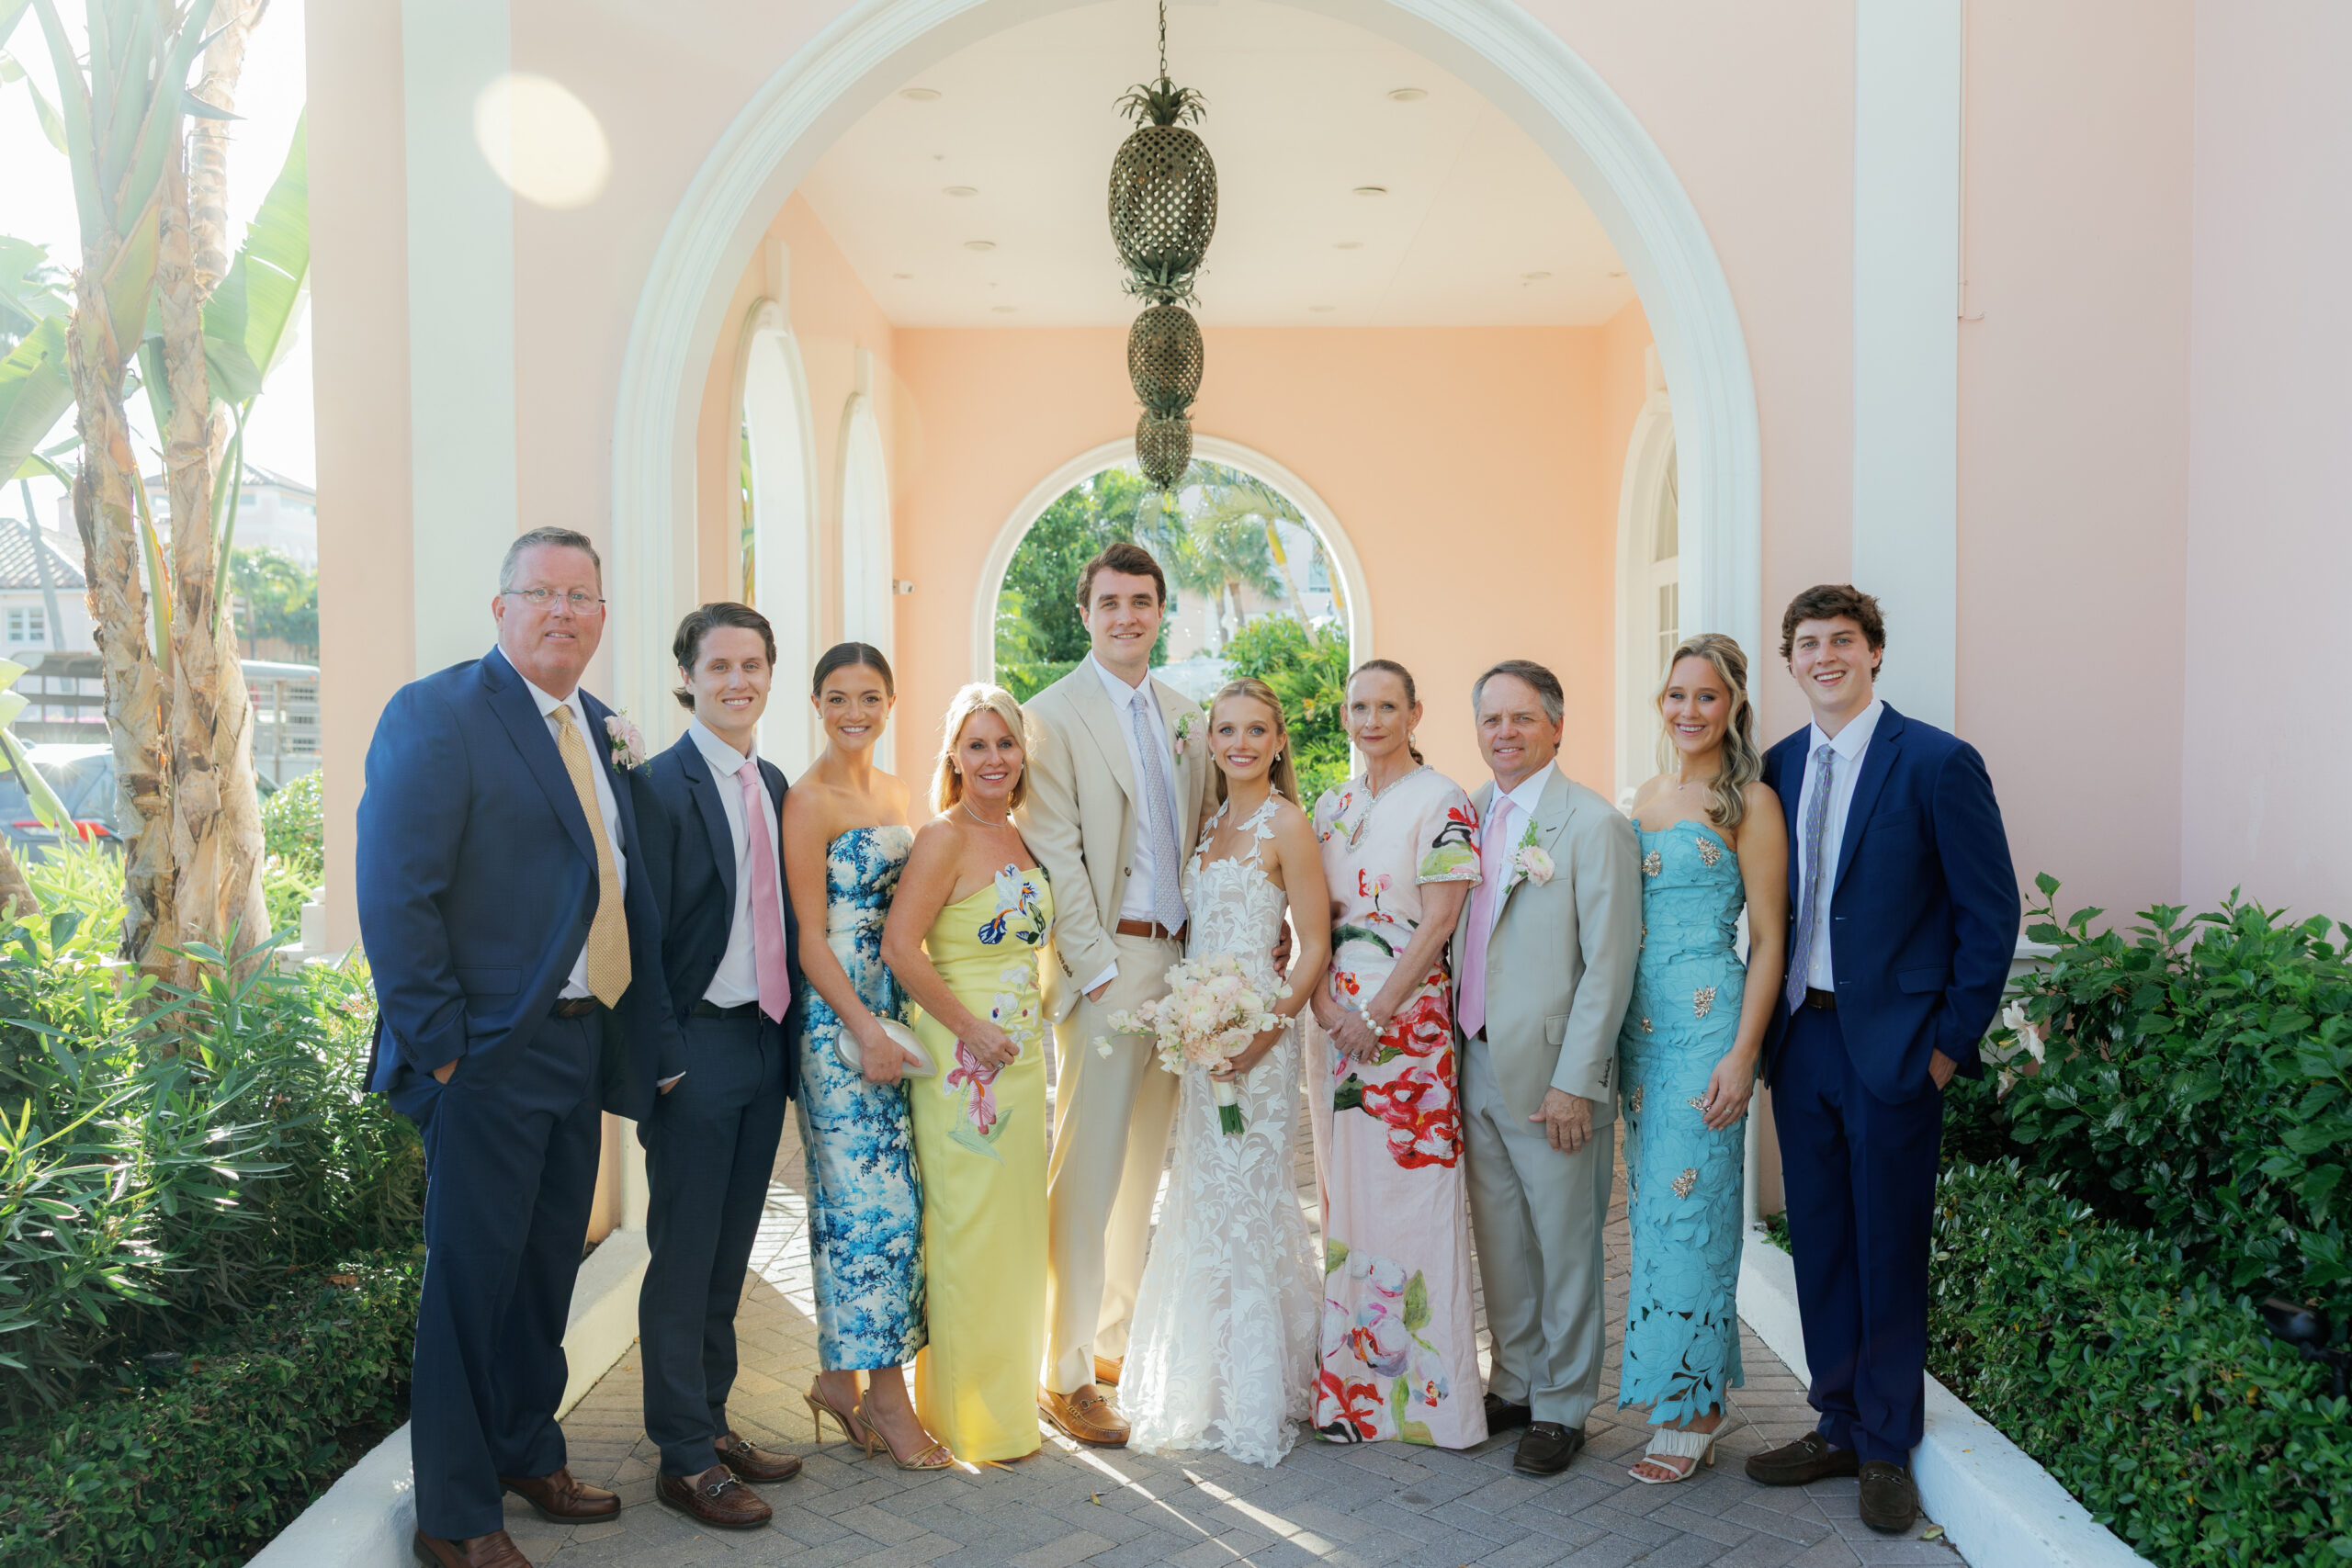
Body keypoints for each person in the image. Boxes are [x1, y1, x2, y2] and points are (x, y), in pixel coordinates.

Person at [358, 526, 676, 1568]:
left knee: (544, 1269)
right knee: (470, 1284)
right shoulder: (439, 714)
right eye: (541, 592)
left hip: (581, 1045)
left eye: (582, 596)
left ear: (599, 616)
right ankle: (454, 1516)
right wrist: (447, 1051)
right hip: (487, 1056)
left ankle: (525, 1451)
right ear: (500, 608)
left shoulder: (598, 726)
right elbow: (396, 895)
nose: (562, 611)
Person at [1744, 586, 2018, 1534]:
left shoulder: (1937, 763)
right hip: (1802, 1038)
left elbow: (1991, 919)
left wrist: (1946, 1048)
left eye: (1843, 641)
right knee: (1818, 1238)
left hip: (1898, 1051)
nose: (1826, 656)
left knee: (1886, 1243)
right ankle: (1836, 1421)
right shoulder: (1772, 768)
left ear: (1873, 653)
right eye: (1808, 643)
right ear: (1789, 662)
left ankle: (1886, 1446)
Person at [1019, 541, 1217, 1447]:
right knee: (1088, 1172)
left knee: (1144, 1168)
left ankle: (1109, 1343)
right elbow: (1055, 849)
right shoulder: (1049, 716)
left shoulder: (1187, 715)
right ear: (1085, 612)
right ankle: (1060, 1371)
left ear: (1159, 610)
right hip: (1109, 968)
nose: (1127, 616)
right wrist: (1097, 971)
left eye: (1142, 601)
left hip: (1180, 968)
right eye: (1110, 602)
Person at [627, 603, 809, 1529]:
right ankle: (683, 1457)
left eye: (754, 665)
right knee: (685, 1255)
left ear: (770, 675)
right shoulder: (656, 788)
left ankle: (713, 1418)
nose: (739, 680)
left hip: (763, 1043)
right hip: (693, 1049)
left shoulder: (772, 781)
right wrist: (663, 1061)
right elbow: (639, 934)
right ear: (689, 677)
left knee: (731, 1253)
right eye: (720, 666)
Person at [1123, 678, 1331, 1466]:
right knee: (1206, 1196)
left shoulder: (1288, 824)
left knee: (1252, 1195)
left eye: (1256, 730)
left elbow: (1309, 943)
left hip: (1258, 1044)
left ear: (1279, 741)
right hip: (1205, 1041)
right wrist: (1191, 1021)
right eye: (1226, 730)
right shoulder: (1210, 825)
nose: (1240, 743)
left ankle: (1259, 1389)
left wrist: (1265, 1035)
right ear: (1210, 742)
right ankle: (1204, 1378)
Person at [1449, 660, 1641, 1477]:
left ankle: (1564, 1404)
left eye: (1522, 719)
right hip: (1476, 1058)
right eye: (1492, 720)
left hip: (1555, 1076)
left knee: (1565, 1245)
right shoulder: (1473, 813)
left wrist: (1576, 1079)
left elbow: (1609, 964)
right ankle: (1518, 1380)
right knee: (1501, 1241)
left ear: (1557, 727)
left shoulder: (1591, 825)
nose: (1505, 734)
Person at [1614, 634, 1787, 1483]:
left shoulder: (1747, 801)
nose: (1688, 710)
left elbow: (1769, 936)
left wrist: (1744, 1052)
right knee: (1652, 1217)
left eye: (1706, 697)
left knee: (1693, 1215)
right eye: (1676, 694)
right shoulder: (1645, 794)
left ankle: (1694, 1409)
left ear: (1733, 707)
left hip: (1708, 1030)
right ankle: (1684, 1389)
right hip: (1639, 1036)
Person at [1305, 659, 1487, 1449]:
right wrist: (1324, 1004)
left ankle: (1435, 1405)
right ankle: (1351, 1399)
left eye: (1387, 705)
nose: (1371, 718)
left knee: (1416, 1202)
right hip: (1335, 1025)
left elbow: (1441, 923)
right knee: (1344, 1196)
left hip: (1405, 1032)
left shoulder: (1443, 801)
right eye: (1359, 706)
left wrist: (1376, 1011)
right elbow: (1311, 919)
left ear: (1415, 711)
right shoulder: (1330, 804)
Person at [880, 685, 1054, 1463]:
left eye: (1005, 744)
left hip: (1020, 1065)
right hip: (963, 1067)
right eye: (977, 744)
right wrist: (971, 1029)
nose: (993, 759)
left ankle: (1010, 1407)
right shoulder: (943, 837)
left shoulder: (1023, 836)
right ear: (954, 754)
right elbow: (901, 947)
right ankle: (962, 1417)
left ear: (1022, 755)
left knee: (1015, 1240)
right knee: (965, 1236)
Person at [781, 644, 944, 1468]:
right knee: (872, 1214)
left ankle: (839, 1385)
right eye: (839, 696)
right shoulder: (806, 801)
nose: (855, 710)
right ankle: (887, 1400)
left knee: (892, 1202)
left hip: (892, 1011)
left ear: (890, 702)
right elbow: (808, 941)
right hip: (836, 1022)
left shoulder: (893, 791)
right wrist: (865, 1027)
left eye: (870, 696)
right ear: (816, 702)